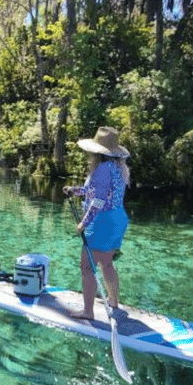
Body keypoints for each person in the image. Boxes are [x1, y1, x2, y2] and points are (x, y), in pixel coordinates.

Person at [62, 126, 130, 320]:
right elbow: (96, 192)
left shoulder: (101, 170)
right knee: (107, 263)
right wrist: (75, 191)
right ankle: (113, 300)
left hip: (103, 221)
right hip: (117, 218)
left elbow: (98, 202)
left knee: (87, 267)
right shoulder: (117, 168)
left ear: (96, 152)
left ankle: (88, 312)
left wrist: (84, 223)